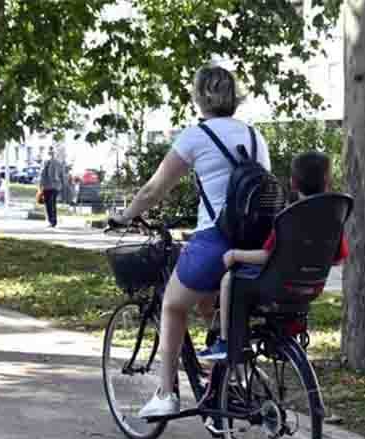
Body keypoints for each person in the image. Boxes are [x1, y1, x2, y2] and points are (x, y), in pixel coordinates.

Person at [109, 64, 271, 418]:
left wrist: (124, 215)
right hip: (255, 243)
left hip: (215, 239)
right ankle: (222, 382)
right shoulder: (256, 136)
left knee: (172, 304)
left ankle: (166, 393)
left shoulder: (197, 136)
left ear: (200, 97)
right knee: (205, 305)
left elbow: (154, 189)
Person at [198, 151, 349, 360]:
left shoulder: (290, 217)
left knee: (231, 281)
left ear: (293, 182)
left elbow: (268, 255)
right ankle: (287, 337)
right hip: (313, 287)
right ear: (328, 182)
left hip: (276, 286)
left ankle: (229, 343)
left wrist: (234, 255)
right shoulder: (333, 215)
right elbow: (339, 258)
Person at [39, 148, 64, 227]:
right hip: (56, 186)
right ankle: (54, 220)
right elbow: (62, 175)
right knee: (53, 203)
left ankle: (51, 221)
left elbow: (42, 174)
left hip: (48, 186)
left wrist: (41, 185)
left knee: (48, 204)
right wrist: (62, 185)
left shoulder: (46, 162)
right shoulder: (59, 163)